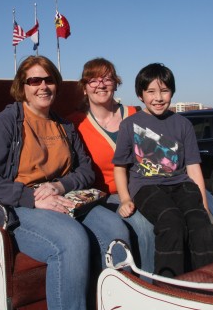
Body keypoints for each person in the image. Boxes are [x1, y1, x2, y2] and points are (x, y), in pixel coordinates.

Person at [0, 55, 130, 310]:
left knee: (115, 229)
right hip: (19, 203)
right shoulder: (5, 123)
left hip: (66, 197)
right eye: (34, 80)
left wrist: (59, 186)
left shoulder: (64, 125)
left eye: (49, 80)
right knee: (71, 239)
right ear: (22, 87)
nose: (43, 86)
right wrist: (31, 198)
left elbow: (86, 170)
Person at [112, 63, 213, 278]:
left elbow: (193, 167)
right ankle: (168, 284)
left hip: (181, 184)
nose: (158, 98)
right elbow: (120, 167)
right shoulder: (129, 125)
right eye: (151, 91)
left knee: (201, 225)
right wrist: (124, 199)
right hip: (146, 186)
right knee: (171, 221)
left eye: (164, 91)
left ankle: (208, 283)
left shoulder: (183, 124)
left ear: (172, 92)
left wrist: (205, 208)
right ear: (140, 95)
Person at [69, 58, 155, 273]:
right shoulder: (74, 124)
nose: (101, 84)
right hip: (104, 195)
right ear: (84, 86)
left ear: (116, 83)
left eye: (107, 78)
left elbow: (156, 158)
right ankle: (141, 289)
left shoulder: (136, 114)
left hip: (142, 188)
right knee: (144, 227)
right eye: (93, 79)